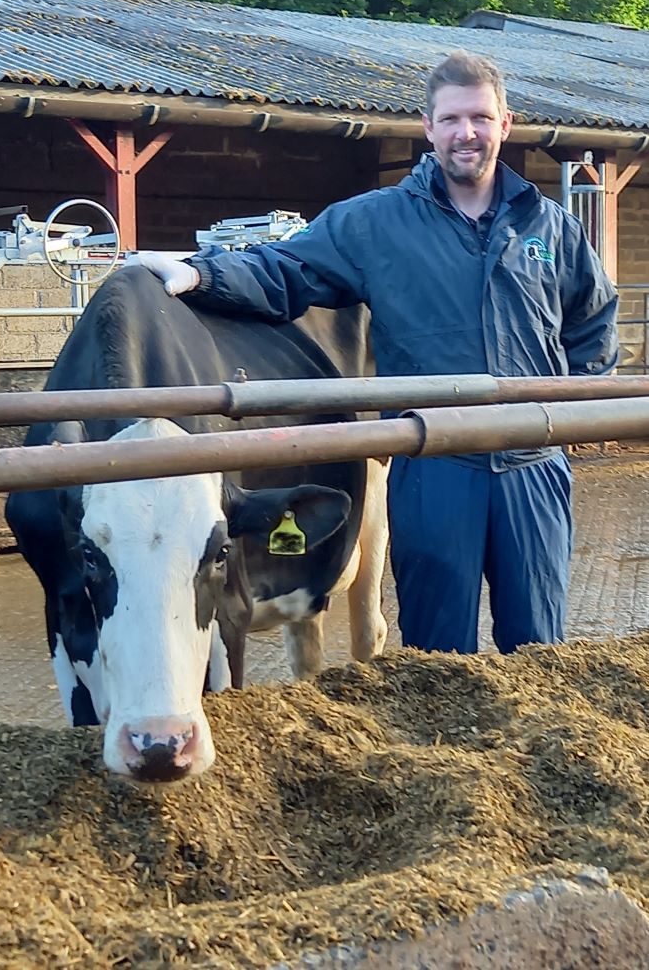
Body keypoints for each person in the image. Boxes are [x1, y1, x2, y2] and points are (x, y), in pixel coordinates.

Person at [126, 50, 618, 656]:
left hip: (533, 466)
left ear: (505, 124)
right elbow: (286, 268)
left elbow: (594, 318)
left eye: (481, 118)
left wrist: (569, 417)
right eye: (452, 119)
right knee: (438, 656)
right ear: (428, 127)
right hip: (436, 463)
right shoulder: (376, 223)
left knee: (542, 649)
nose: (467, 133)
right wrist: (202, 274)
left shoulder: (550, 226)